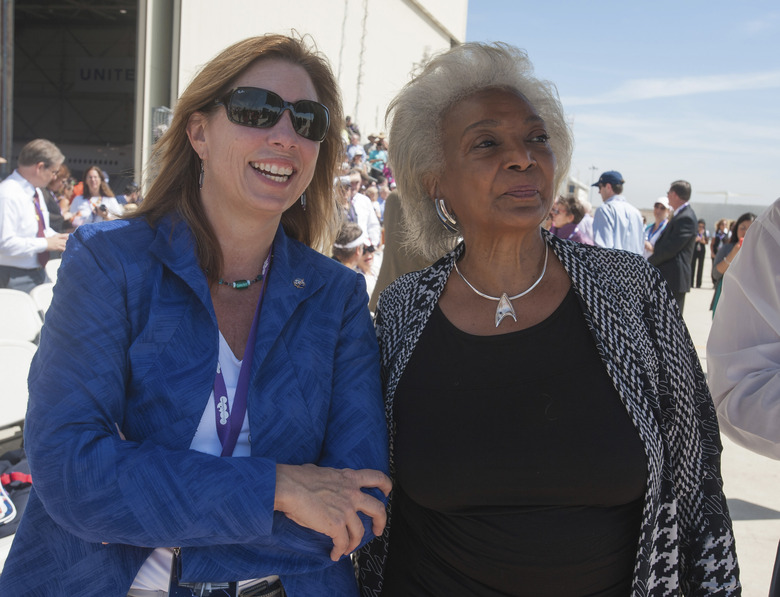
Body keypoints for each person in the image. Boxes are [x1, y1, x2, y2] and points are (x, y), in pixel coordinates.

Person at [0, 34, 391, 597]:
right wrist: (279, 487)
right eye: (257, 110)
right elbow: (73, 476)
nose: (285, 135)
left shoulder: (337, 296)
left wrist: (145, 508)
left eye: (307, 120)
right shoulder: (110, 262)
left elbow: (356, 510)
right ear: (199, 132)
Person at [356, 41, 740, 595]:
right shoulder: (400, 312)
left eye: (537, 137)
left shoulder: (632, 293)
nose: (523, 156)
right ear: (434, 179)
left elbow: (697, 474)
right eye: (486, 142)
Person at [707, 198, 780, 458]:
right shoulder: (761, 237)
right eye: (742, 228)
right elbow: (718, 272)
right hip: (730, 299)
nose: (745, 232)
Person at [0, 138, 69, 292]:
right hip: (13, 277)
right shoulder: (7, 194)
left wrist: (61, 239)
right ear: (39, 167)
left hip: (37, 272)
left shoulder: (35, 191)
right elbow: (4, 244)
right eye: (53, 172)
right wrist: (45, 244)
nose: (54, 177)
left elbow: (41, 230)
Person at [648, 180, 698, 313]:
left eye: (669, 193)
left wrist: (648, 263)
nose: (668, 196)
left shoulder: (685, 218)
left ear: (675, 194)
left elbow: (670, 250)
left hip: (674, 279)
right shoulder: (681, 215)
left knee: (671, 321)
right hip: (669, 277)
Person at [710, 211, 757, 315]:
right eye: (742, 228)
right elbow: (715, 274)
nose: (745, 232)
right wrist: (732, 254)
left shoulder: (761, 251)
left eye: (750, 228)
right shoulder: (726, 248)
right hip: (726, 299)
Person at [591, 170, 644, 254]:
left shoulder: (605, 209)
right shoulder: (636, 212)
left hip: (613, 266)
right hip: (634, 266)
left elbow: (603, 250)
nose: (599, 191)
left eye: (600, 187)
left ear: (608, 187)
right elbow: (641, 247)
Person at [710, 217, 730, 285]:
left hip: (724, 254)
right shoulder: (716, 233)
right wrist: (712, 252)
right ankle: (714, 281)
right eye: (722, 224)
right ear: (719, 225)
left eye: (725, 224)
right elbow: (712, 244)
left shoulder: (728, 233)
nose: (723, 226)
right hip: (716, 252)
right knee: (714, 267)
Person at [691, 219, 710, 288]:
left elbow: (707, 242)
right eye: (699, 226)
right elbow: (691, 240)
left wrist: (702, 240)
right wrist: (696, 239)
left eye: (702, 226)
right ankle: (691, 283)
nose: (701, 228)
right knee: (692, 265)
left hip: (701, 249)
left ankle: (698, 284)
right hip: (694, 249)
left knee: (700, 266)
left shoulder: (706, 232)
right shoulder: (694, 231)